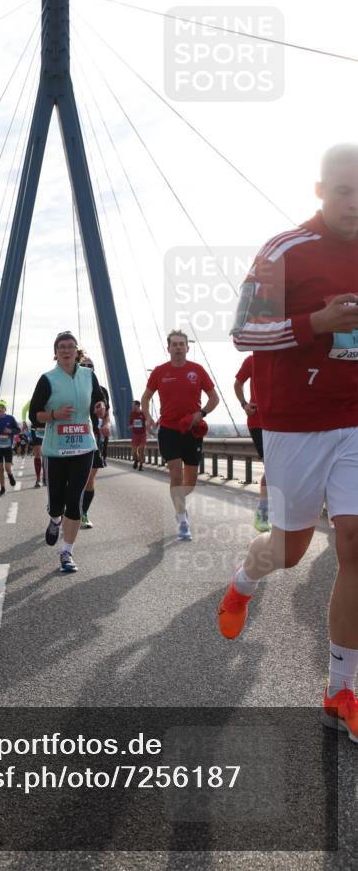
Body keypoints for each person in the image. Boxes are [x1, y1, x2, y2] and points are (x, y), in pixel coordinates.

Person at [219, 143, 358, 743]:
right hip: (296, 425)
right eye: (344, 190)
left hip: (355, 418)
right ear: (321, 190)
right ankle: (243, 584)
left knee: (354, 541)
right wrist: (314, 326)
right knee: (291, 550)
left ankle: (341, 688)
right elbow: (242, 330)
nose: (354, 202)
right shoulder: (285, 250)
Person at [29, 331, 107, 573]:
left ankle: (67, 552)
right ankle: (54, 520)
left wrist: (100, 408)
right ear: (56, 351)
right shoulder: (47, 379)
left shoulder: (88, 376)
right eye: (61, 347)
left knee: (74, 499)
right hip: (57, 449)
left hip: (84, 445)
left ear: (77, 351)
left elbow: (99, 403)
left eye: (70, 346)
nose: (66, 351)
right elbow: (34, 415)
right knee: (57, 505)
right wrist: (54, 415)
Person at [141, 331, 219, 540]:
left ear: (187, 347)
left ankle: (179, 502)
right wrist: (148, 417)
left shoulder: (197, 370)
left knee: (190, 482)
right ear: (168, 348)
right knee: (176, 472)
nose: (178, 347)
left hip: (192, 430)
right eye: (174, 344)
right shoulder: (159, 372)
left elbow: (214, 398)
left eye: (181, 344)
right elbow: (146, 397)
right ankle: (182, 518)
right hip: (168, 430)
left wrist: (200, 414)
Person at [234, 355, 270, 532]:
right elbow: (237, 383)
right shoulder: (252, 360)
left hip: (284, 420)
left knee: (284, 468)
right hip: (258, 422)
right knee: (272, 468)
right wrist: (244, 404)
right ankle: (263, 513)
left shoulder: (287, 356)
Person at [78, 353, 111, 529]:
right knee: (72, 478)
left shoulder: (102, 391)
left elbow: (107, 415)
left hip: (93, 440)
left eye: (91, 366)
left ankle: (83, 512)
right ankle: (61, 506)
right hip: (72, 439)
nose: (88, 368)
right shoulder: (71, 387)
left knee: (89, 478)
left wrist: (106, 424)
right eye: (84, 365)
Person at [0, 400, 19, 495]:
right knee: (0, 468)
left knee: (7, 468)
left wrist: (10, 431)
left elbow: (18, 430)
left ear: (5, 409)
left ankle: (10, 475)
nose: (0, 409)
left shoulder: (11, 418)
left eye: (2, 407)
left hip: (7, 447)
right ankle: (2, 488)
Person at [129, 399, 147, 471]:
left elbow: (147, 421)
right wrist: (130, 426)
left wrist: (147, 425)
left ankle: (141, 465)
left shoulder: (143, 413)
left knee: (141, 450)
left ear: (137, 405)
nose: (132, 406)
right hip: (135, 435)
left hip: (142, 434)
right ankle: (136, 460)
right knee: (134, 451)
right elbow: (130, 422)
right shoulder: (132, 413)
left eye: (133, 405)